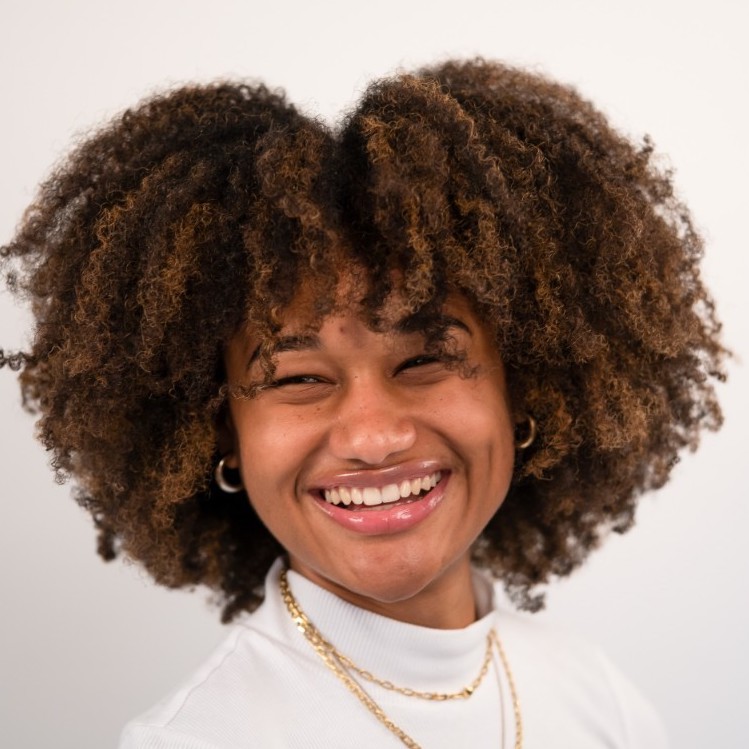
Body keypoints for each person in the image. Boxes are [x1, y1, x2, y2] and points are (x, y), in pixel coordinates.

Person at [0, 59, 726, 748]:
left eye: (424, 360)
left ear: (526, 387)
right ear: (221, 431)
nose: (373, 437)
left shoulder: (598, 699)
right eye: (297, 379)